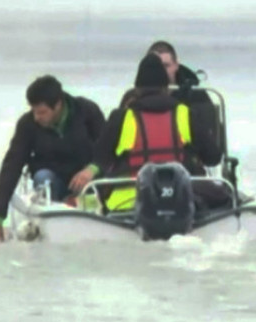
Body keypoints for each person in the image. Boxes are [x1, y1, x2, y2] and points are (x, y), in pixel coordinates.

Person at [0, 75, 107, 244]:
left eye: (41, 112)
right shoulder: (27, 125)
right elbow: (11, 166)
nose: (36, 117)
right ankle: (54, 222)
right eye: (33, 111)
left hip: (87, 183)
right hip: (52, 182)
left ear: (58, 105)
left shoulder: (87, 112)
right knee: (42, 176)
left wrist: (93, 168)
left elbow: (108, 149)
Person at [96, 54, 223, 213]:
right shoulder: (185, 114)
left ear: (137, 89)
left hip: (126, 203)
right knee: (223, 197)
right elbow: (213, 157)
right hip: (184, 200)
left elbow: (100, 160)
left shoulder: (120, 117)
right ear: (166, 88)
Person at [145, 40, 223, 167]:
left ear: (176, 65)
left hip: (187, 171)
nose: (161, 72)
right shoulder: (132, 98)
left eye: (166, 66)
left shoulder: (197, 96)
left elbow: (213, 151)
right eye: (157, 67)